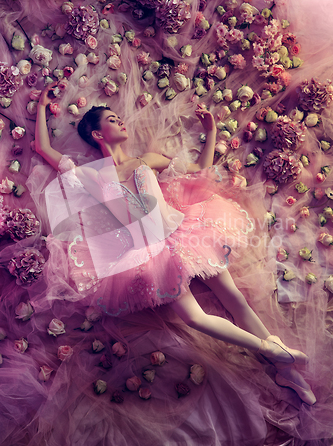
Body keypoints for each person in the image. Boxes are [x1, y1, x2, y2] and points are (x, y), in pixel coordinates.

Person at [35, 81, 316, 406]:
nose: (120, 122)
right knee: (194, 317)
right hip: (148, 256)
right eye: (111, 120)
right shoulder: (90, 176)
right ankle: (272, 351)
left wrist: (210, 132)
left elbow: (200, 172)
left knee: (235, 298)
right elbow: (45, 150)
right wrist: (42, 106)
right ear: (97, 134)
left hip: (187, 232)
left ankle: (287, 371)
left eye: (117, 117)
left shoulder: (146, 159)